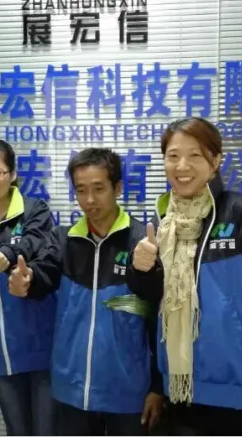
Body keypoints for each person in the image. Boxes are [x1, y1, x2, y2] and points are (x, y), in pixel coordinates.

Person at [128, 117, 242, 436]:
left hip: (241, 391)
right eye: (172, 156)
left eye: (195, 155)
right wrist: (141, 270)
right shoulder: (163, 224)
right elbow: (154, 306)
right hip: (180, 393)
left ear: (216, 161)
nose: (182, 165)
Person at [9, 148, 165, 436]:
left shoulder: (141, 243)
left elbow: (159, 323)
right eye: (81, 190)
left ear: (117, 188)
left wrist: (158, 386)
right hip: (72, 389)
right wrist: (27, 281)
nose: (89, 200)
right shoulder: (65, 239)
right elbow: (43, 273)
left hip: (129, 392)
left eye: (98, 189)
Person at [0, 140, 58, 436]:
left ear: (12, 174)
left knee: (46, 430)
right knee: (16, 431)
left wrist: (6, 252)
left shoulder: (35, 210)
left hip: (42, 345)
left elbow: (36, 241)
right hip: (0, 349)